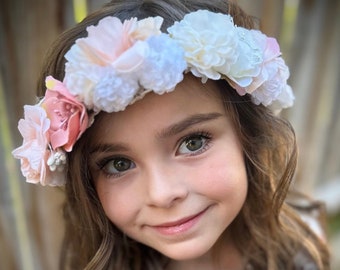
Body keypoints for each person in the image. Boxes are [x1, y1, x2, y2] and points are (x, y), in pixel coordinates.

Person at [12, 0, 330, 269]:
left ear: (248, 134)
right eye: (118, 164)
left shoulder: (303, 240)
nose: (162, 194)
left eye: (193, 143)